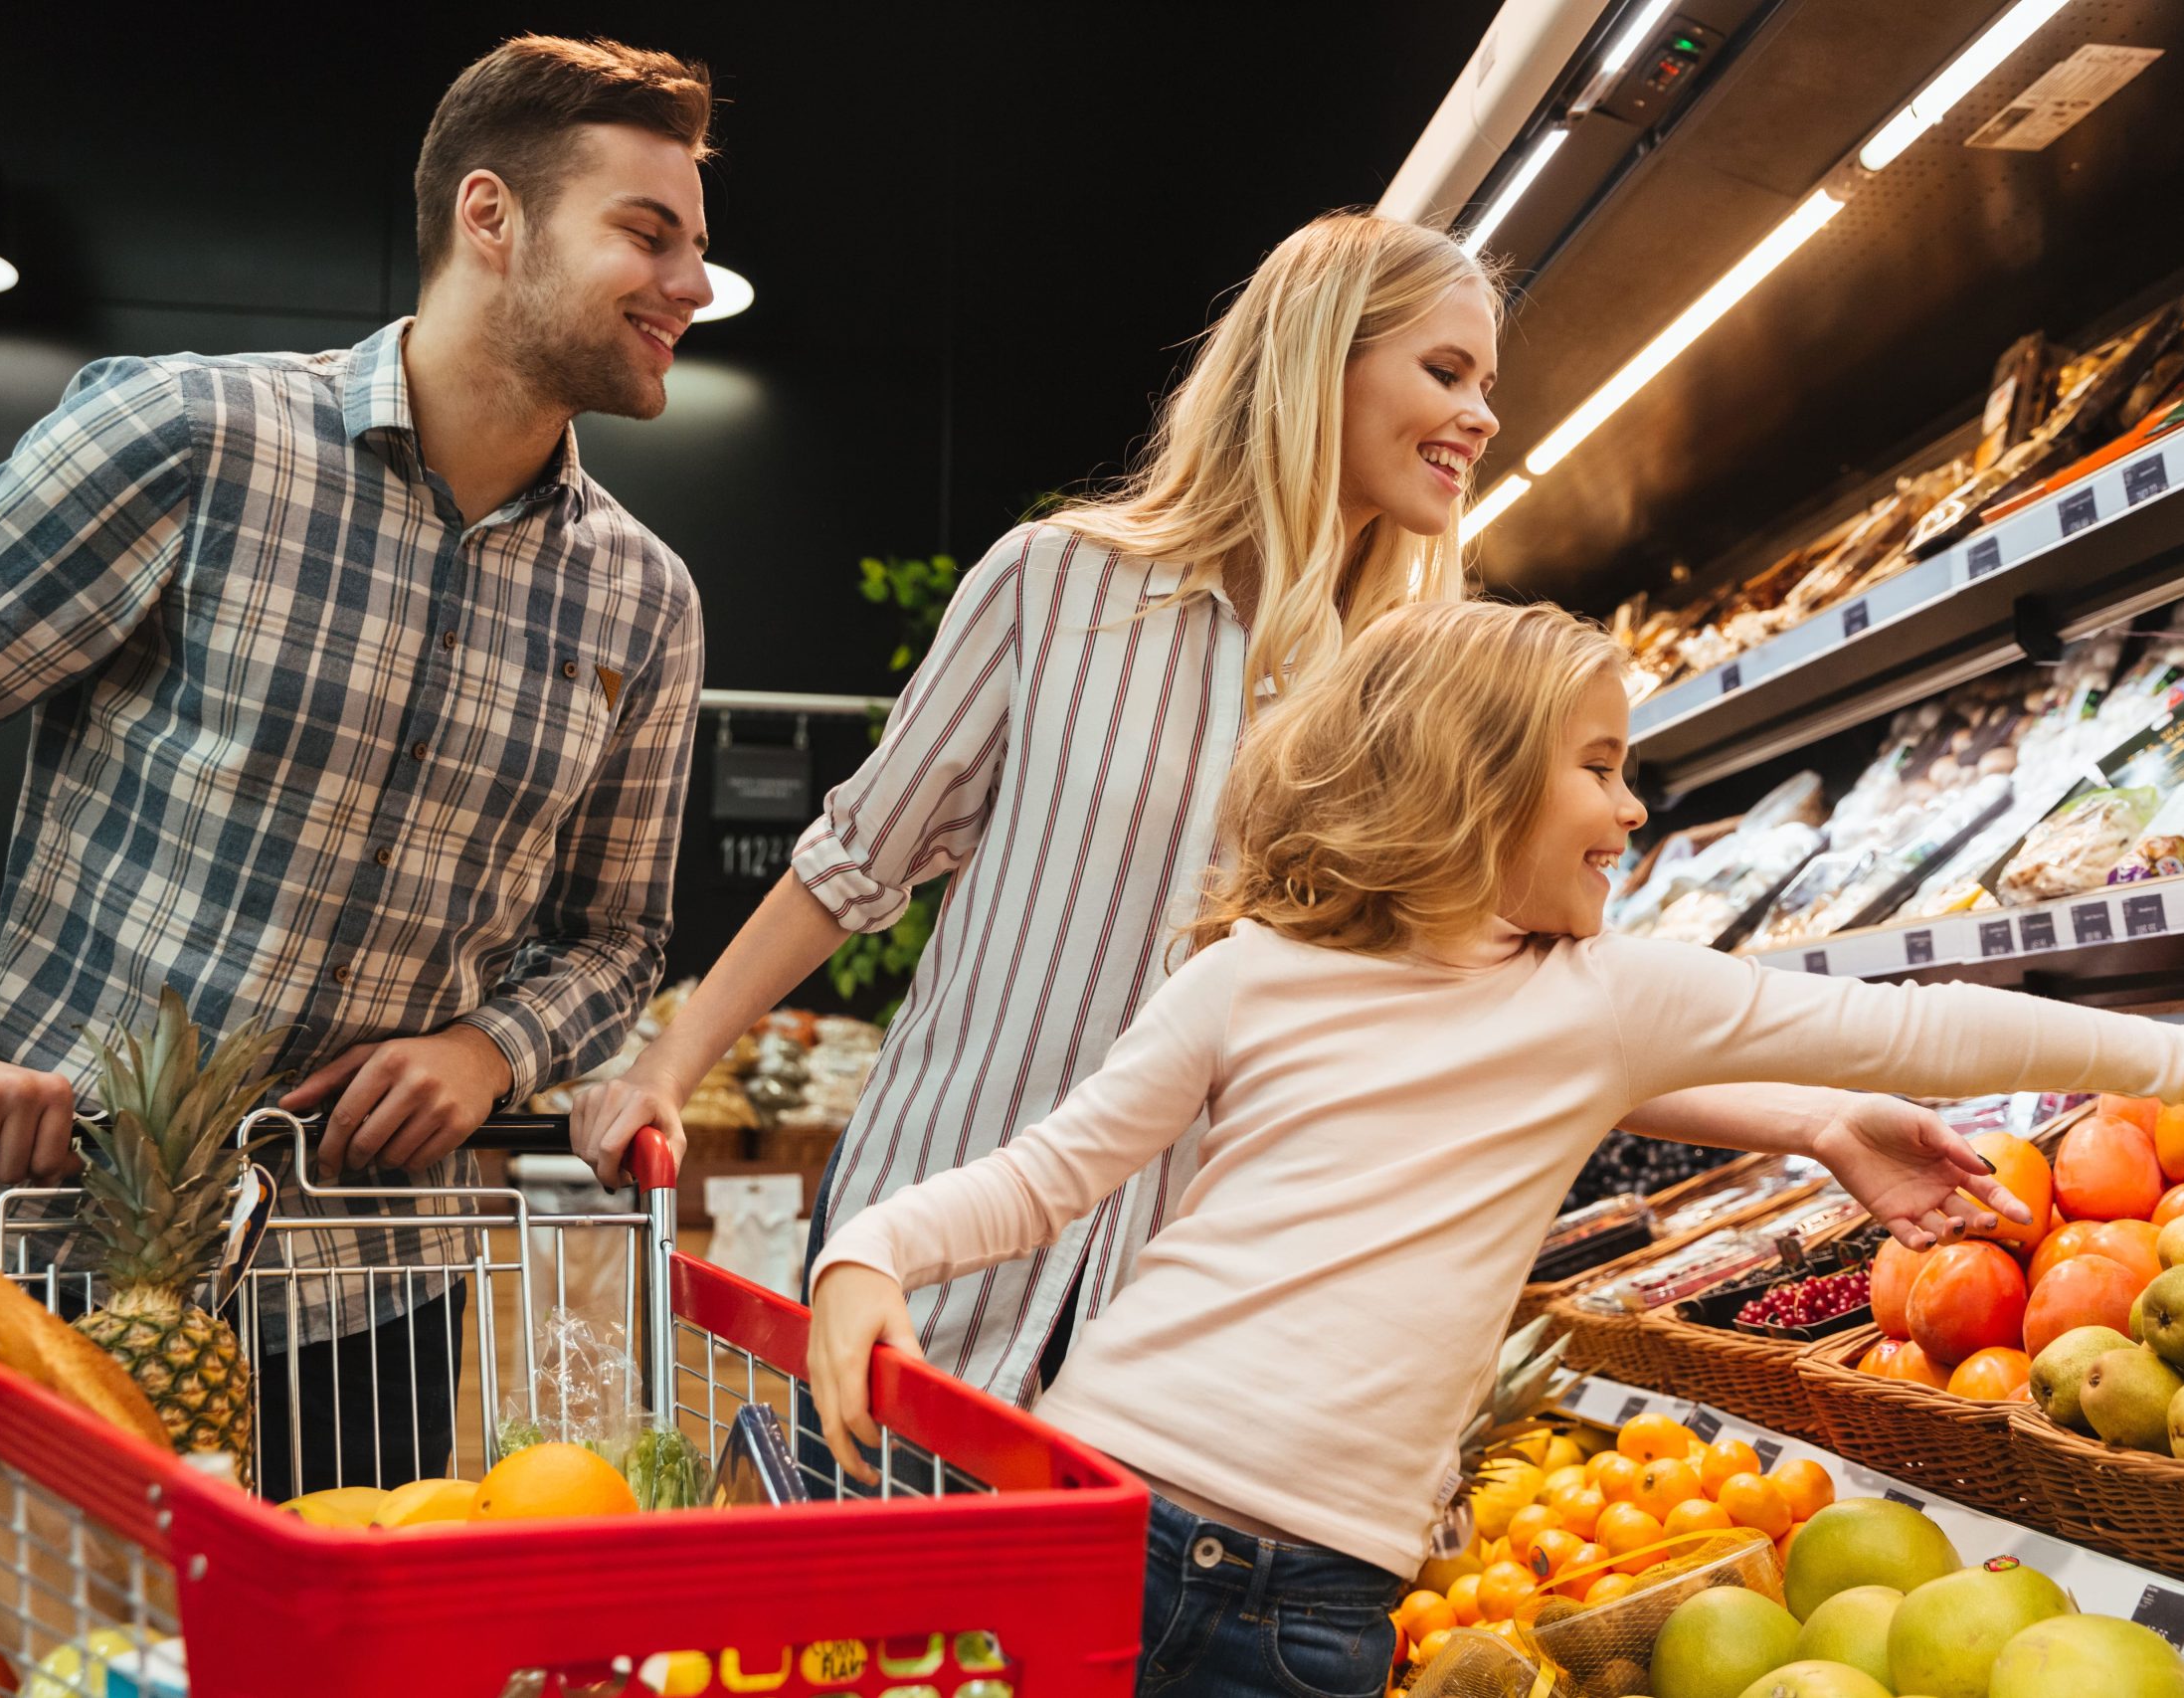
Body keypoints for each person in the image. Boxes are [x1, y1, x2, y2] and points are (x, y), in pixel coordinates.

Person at [805, 598, 2184, 1696]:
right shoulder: (1251, 975)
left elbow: (1928, 1032)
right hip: (1097, 1509)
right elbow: (1055, 1171)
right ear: (1469, 789)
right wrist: (877, 1249)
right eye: (1598, 769)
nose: (1634, 810)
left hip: (1308, 1599)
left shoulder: (1599, 1000)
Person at [572, 211, 1948, 1410]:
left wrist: (1818, 1122)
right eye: (1446, 371)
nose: (1482, 416)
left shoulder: (1406, 693)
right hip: (933, 1245)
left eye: (1488, 383)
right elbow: (855, 862)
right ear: (1317, 364)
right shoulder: (1054, 585)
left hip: (1183, 1324)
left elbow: (1530, 1003)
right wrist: (668, 1069)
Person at [0, 35, 712, 1498]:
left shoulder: (644, 602)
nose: (691, 283)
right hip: (60, 1259)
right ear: (491, 215)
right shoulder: (195, 439)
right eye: (648, 234)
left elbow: (618, 937)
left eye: (695, 246)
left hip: (377, 1296)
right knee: (23, 1624)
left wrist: (490, 1049)